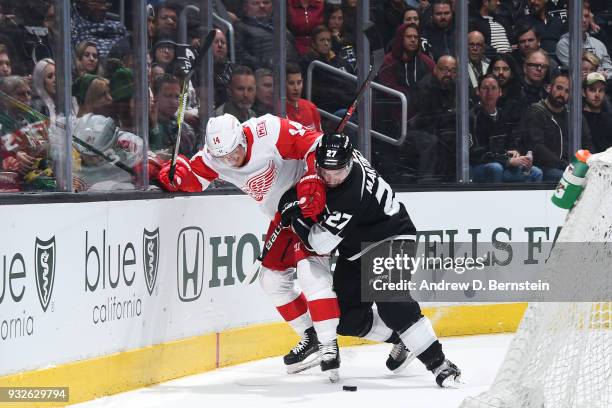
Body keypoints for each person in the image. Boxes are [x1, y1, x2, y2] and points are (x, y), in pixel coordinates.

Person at [155, 113, 348, 380]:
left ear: (242, 138)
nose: (229, 161)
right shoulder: (214, 156)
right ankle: (312, 336)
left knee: (310, 273)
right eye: (222, 157)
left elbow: (315, 144)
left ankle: (330, 346)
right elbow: (193, 179)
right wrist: (174, 176)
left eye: (234, 152)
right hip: (282, 215)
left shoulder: (267, 130)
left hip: (308, 203)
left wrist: (312, 179)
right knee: (271, 280)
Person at [278, 133, 462, 388]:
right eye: (325, 172)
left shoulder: (350, 194)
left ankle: (440, 364)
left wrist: (297, 217)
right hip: (356, 251)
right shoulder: (341, 160)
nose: (331, 179)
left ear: (351, 162)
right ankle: (402, 339)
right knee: (341, 317)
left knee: (391, 303)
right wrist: (298, 201)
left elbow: (318, 243)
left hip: (392, 239)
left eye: (338, 173)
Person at [519, 72, 593, 182]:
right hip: (545, 168)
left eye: (567, 91)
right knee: (574, 180)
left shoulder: (574, 116)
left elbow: (587, 144)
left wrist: (591, 165)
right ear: (549, 88)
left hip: (570, 167)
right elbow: (537, 148)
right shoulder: (535, 113)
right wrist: (566, 166)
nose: (562, 94)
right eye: (559, 88)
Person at [469, 74, 543, 182]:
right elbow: (475, 154)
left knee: (536, 172)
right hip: (479, 167)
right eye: (485, 88)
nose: (489, 92)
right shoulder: (471, 117)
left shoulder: (504, 115)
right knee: (495, 168)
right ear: (478, 91)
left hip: (503, 162)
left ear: (500, 92)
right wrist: (507, 161)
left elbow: (511, 142)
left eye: (493, 88)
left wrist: (514, 152)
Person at [285, 63, 322, 131]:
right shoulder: (279, 111)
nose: (296, 88)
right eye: (291, 83)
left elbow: (319, 137)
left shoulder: (311, 107)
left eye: (299, 82)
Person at [582, 72, 612, 153]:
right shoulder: (578, 118)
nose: (597, 95)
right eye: (592, 90)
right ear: (583, 92)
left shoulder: (608, 118)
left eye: (601, 90)